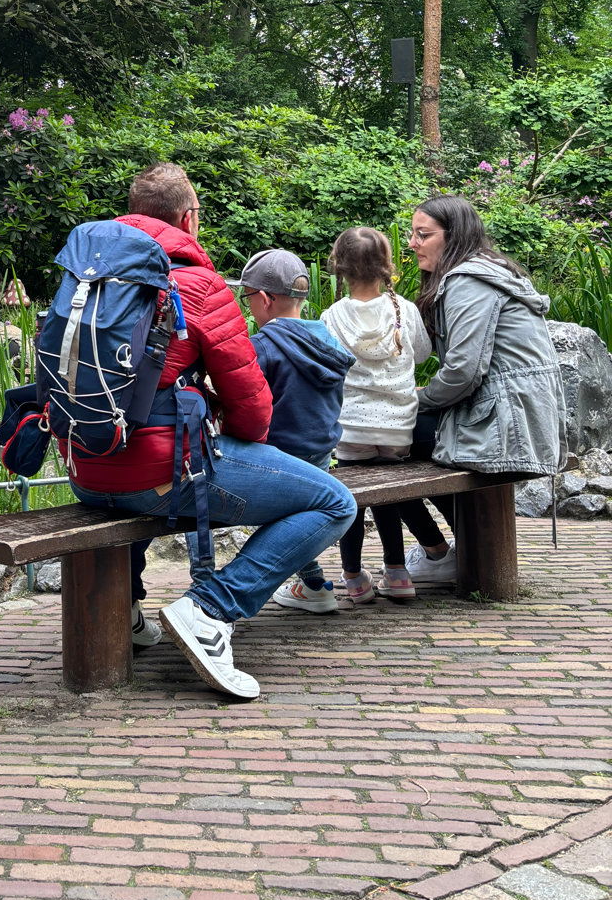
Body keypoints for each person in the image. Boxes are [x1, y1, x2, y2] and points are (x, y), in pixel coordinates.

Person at [63, 164, 356, 701]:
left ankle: (127, 613)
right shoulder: (198, 284)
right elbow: (250, 403)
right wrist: (245, 441)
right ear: (188, 219)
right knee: (334, 502)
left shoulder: (85, 278)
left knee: (145, 486)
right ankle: (210, 609)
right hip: (157, 474)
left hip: (87, 468)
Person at [399, 195, 566, 587]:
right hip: (517, 413)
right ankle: (451, 548)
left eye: (423, 234)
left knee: (387, 440)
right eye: (412, 233)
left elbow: (463, 372)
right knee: (398, 436)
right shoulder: (487, 271)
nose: (412, 242)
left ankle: (437, 552)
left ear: (453, 236)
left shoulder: (466, 281)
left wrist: (412, 400)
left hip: (505, 422)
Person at [233, 248, 355, 614]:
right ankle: (313, 582)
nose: (248, 305)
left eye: (248, 297)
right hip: (320, 457)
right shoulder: (327, 340)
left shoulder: (263, 348)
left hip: (279, 460)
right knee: (298, 509)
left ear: (266, 299)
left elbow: (247, 409)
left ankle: (208, 579)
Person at [320, 226, 435, 603]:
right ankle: (398, 573)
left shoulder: (332, 317)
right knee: (386, 493)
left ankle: (353, 578)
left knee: (352, 496)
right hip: (399, 426)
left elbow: (327, 368)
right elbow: (421, 354)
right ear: (387, 265)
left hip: (351, 427)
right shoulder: (405, 310)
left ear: (339, 268)